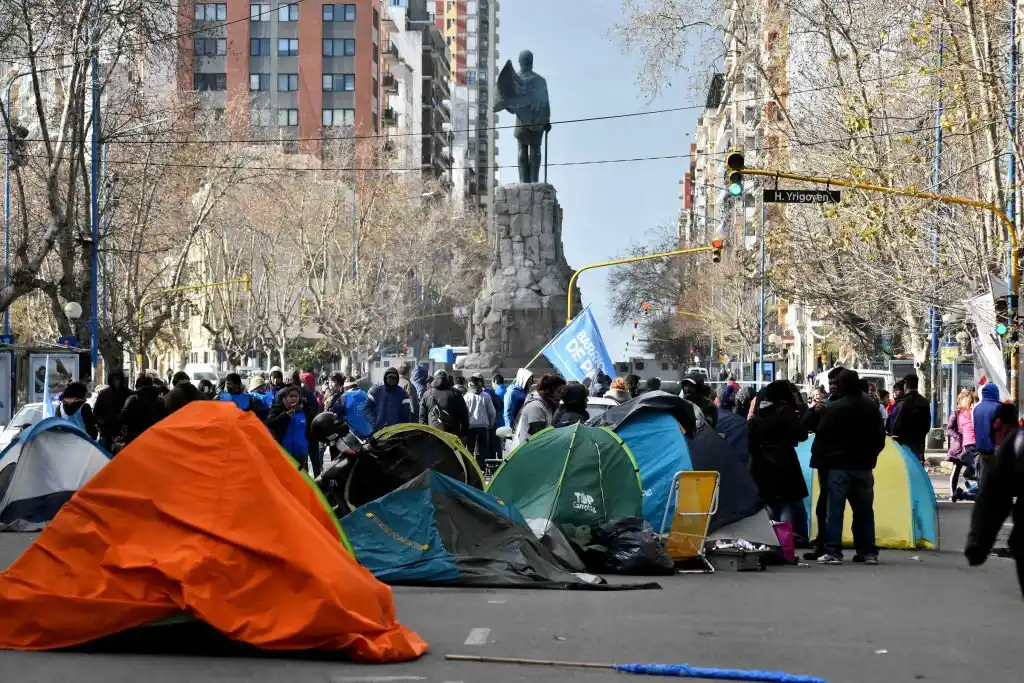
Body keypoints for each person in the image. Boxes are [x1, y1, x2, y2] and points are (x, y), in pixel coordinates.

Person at [812, 369, 885, 566]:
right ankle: (867, 551)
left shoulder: (835, 408)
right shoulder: (871, 407)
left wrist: (826, 460)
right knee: (864, 510)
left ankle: (833, 551)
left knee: (835, 510)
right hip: (864, 466)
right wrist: (872, 457)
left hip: (839, 466)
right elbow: (880, 437)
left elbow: (823, 436)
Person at [965, 426, 1024, 597]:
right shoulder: (1018, 440)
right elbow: (996, 492)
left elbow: (995, 494)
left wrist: (978, 542)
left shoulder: (1018, 439)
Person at [748, 381, 808, 534]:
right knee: (786, 504)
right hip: (785, 463)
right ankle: (784, 543)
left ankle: (771, 541)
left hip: (762, 464)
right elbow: (801, 435)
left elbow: (751, 441)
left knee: (770, 505)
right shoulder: (786, 412)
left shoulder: (758, 414)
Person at [802, 366, 844, 560]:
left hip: (836, 460)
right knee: (825, 503)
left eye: (837, 383)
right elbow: (807, 425)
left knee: (833, 504)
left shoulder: (844, 406)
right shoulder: (826, 404)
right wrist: (813, 410)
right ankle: (823, 543)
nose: (833, 387)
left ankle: (830, 546)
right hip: (827, 460)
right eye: (832, 383)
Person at [513, 373, 566, 445]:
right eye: (558, 392)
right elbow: (539, 436)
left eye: (562, 393)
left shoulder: (548, 405)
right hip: (530, 449)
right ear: (548, 391)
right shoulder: (536, 407)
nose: (561, 396)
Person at [267, 385, 312, 470]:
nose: (294, 398)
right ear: (285, 398)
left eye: (296, 396)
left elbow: (310, 426)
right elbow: (270, 423)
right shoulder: (277, 409)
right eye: (291, 396)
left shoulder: (304, 410)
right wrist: (285, 415)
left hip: (301, 452)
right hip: (283, 452)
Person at [118, 375, 167, 448]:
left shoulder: (132, 399)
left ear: (137, 387)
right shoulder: (160, 401)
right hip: (153, 438)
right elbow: (164, 419)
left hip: (134, 439)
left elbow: (122, 417)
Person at [891, 374, 931, 463]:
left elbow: (897, 424)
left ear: (905, 385)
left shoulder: (903, 402)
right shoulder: (924, 402)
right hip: (919, 442)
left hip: (904, 443)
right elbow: (927, 424)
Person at [948, 389, 978, 502]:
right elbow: (949, 429)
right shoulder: (956, 413)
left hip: (968, 444)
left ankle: (970, 489)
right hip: (959, 447)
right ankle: (953, 492)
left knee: (972, 470)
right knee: (956, 470)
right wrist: (958, 436)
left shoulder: (971, 412)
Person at [420, 370, 469, 438]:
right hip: (452, 435)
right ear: (447, 378)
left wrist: (424, 433)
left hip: (433, 433)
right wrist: (464, 433)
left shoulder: (427, 394)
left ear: (434, 379)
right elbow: (464, 414)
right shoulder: (456, 393)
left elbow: (422, 417)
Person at [93, 370, 132, 450]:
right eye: (113, 379)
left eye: (118, 379)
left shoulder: (129, 394)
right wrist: (102, 423)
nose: (116, 381)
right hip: (107, 433)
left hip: (125, 433)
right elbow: (96, 413)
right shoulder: (103, 395)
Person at [973, 383, 1003, 482]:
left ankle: (982, 494)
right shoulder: (998, 407)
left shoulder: (977, 408)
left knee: (983, 476)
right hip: (995, 449)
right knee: (996, 479)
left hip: (981, 448)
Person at [464, 375, 496, 467]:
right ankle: (482, 469)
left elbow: (465, 413)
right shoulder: (486, 395)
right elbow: (492, 411)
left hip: (470, 427)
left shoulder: (466, 396)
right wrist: (491, 423)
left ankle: (471, 468)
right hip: (483, 426)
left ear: (470, 384)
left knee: (470, 450)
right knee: (482, 450)